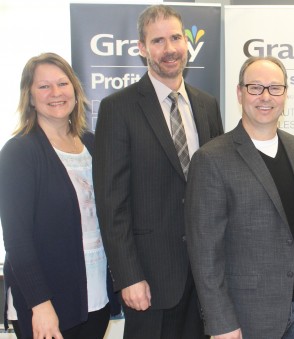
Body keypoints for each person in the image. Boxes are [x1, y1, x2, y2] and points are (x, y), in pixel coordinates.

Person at [92, 4, 223, 339]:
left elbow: (218, 190)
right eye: (158, 41)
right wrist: (128, 276)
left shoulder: (207, 105)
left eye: (176, 38)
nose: (170, 49)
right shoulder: (117, 109)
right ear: (141, 48)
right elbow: (111, 203)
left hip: (204, 280)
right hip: (149, 282)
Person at [185, 56, 294, 339]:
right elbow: (204, 252)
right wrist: (221, 322)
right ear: (239, 92)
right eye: (255, 87)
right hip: (244, 317)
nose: (265, 96)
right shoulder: (211, 158)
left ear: (285, 94)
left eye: (275, 88)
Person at [0, 52, 120, 339]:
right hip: (47, 304)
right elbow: (17, 240)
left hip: (94, 298)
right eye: (43, 86)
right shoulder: (19, 152)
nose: (55, 93)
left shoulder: (91, 144)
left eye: (62, 84)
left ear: (75, 92)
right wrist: (40, 305)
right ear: (29, 97)